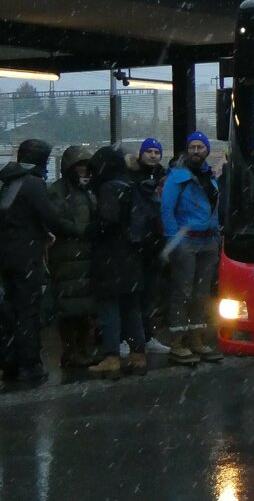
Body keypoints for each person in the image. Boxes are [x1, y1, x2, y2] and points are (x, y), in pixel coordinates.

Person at [0, 138, 75, 383]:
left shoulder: (10, 182)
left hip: (6, 253)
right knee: (28, 311)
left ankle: (9, 362)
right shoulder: (34, 184)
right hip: (26, 255)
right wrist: (75, 229)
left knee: (10, 308)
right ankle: (30, 364)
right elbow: (50, 217)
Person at [160, 131, 222, 366]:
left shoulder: (209, 176)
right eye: (193, 147)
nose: (197, 151)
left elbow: (214, 209)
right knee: (183, 292)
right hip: (187, 242)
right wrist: (175, 239)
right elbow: (167, 210)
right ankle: (178, 342)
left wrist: (216, 235)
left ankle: (196, 339)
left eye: (200, 147)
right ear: (188, 150)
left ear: (206, 150)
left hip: (207, 241)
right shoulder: (177, 177)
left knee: (201, 293)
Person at [86, 146, 146, 378]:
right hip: (131, 256)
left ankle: (111, 358)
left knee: (109, 308)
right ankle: (138, 356)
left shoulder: (108, 187)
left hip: (111, 258)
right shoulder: (129, 185)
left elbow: (107, 221)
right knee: (132, 309)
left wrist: (90, 230)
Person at [47, 145, 98, 369]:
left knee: (85, 309)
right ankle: (71, 351)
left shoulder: (88, 190)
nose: (82, 170)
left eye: (86, 167)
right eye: (78, 166)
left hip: (85, 257)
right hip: (68, 257)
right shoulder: (58, 191)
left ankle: (83, 348)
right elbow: (56, 220)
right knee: (69, 310)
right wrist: (80, 231)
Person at [128, 138, 170, 355]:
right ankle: (132, 338)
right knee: (135, 294)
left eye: (156, 152)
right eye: (149, 151)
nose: (153, 155)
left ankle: (146, 336)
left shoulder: (164, 178)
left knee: (149, 294)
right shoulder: (132, 179)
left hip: (154, 244)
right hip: (138, 244)